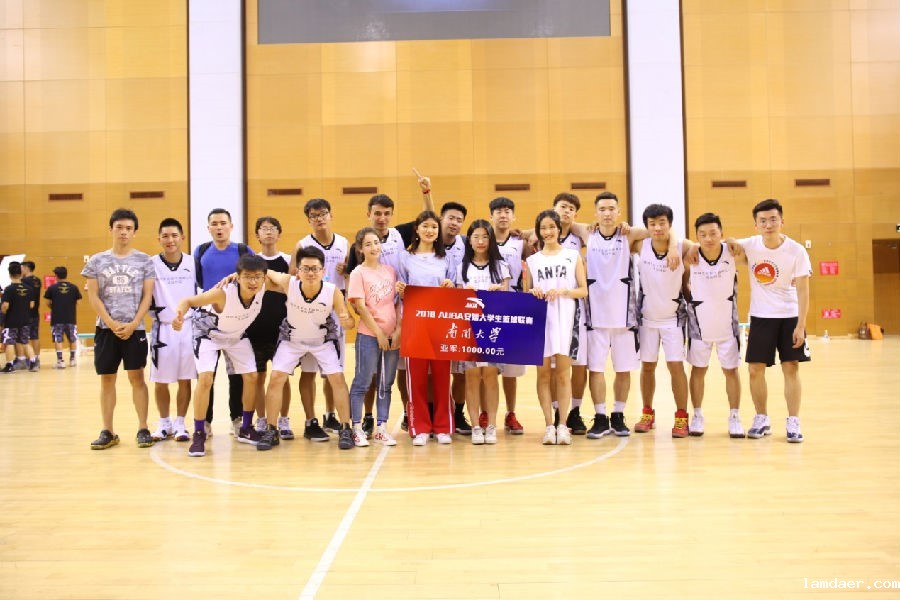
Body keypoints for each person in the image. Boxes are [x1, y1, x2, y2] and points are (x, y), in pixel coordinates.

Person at [257, 246, 357, 451]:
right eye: (306, 268)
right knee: (276, 377)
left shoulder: (332, 291)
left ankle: (346, 428)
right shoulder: (289, 283)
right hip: (292, 339)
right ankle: (271, 429)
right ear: (298, 271)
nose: (311, 273)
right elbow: (266, 271)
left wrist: (346, 320)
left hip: (322, 340)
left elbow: (349, 323)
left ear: (323, 271)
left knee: (337, 378)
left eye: (315, 269)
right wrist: (240, 274)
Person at [583, 191, 664, 439]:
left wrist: (671, 248)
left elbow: (658, 231)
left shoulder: (628, 235)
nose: (607, 213)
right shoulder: (587, 233)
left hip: (624, 318)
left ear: (618, 212)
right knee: (596, 370)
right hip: (595, 317)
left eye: (612, 209)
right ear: (595, 213)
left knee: (623, 369)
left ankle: (618, 415)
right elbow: (562, 222)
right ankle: (600, 416)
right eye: (602, 209)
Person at [731, 198, 811, 443]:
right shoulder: (751, 245)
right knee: (755, 369)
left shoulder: (796, 250)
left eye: (773, 219)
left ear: (782, 221)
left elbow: (804, 290)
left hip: (789, 315)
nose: (768, 225)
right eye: (763, 221)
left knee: (791, 367)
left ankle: (793, 421)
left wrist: (801, 325)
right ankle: (761, 418)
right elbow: (721, 245)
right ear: (756, 225)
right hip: (761, 316)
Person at [173, 254, 267, 457]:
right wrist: (179, 315)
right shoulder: (222, 294)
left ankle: (246, 427)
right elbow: (188, 301)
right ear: (238, 278)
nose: (252, 282)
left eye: (257, 277)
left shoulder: (263, 288)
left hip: (235, 336)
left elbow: (285, 279)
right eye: (247, 276)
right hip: (208, 333)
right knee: (206, 379)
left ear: (263, 278)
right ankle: (199, 433)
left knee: (252, 376)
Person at [82, 208, 156, 449]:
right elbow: (93, 296)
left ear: (134, 232)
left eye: (128, 228)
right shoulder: (96, 261)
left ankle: (143, 428)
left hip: (135, 329)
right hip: (106, 330)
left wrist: (134, 323)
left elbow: (148, 296)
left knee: (137, 377)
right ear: (111, 229)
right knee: (107, 379)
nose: (124, 232)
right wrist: (111, 323)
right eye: (119, 227)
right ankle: (108, 431)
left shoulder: (144, 260)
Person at [524, 209, 588, 445]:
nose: (548, 231)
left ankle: (563, 425)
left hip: (566, 317)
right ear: (538, 232)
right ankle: (549, 425)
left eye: (552, 227)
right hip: (542, 319)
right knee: (543, 374)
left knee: (563, 373)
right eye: (543, 228)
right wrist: (534, 292)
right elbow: (526, 293)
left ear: (559, 229)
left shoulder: (572, 255)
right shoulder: (532, 261)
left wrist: (563, 291)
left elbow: (583, 290)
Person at [396, 210, 457, 445]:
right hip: (415, 323)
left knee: (442, 376)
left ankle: (443, 427)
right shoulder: (405, 257)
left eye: (433, 227)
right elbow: (400, 289)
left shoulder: (446, 258)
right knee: (417, 378)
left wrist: (451, 286)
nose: (430, 230)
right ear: (417, 229)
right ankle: (419, 427)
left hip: (441, 323)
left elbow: (455, 288)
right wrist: (402, 291)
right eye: (425, 226)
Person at [683, 213, 744, 438]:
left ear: (721, 233)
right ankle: (697, 415)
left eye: (713, 233)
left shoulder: (732, 252)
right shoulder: (691, 256)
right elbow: (683, 283)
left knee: (731, 371)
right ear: (697, 236)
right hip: (699, 326)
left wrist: (733, 240)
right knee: (698, 370)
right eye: (703, 235)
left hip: (727, 324)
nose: (708, 238)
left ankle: (735, 416)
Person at [193, 208, 252, 436]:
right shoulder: (201, 251)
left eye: (223, 223)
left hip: (236, 320)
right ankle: (205, 422)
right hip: (208, 321)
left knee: (237, 374)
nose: (219, 227)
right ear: (208, 228)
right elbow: (199, 281)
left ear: (231, 226)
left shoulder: (242, 251)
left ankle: (237, 418)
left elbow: (255, 275)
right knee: (207, 375)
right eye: (214, 224)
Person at [292, 199, 349, 438]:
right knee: (309, 370)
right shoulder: (302, 245)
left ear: (330, 215)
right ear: (309, 220)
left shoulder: (344, 243)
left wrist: (347, 271)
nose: (319, 218)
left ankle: (330, 415)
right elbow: (292, 278)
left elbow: (350, 276)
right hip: (309, 313)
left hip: (335, 311)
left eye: (323, 213)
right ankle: (310, 420)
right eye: (314, 215)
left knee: (333, 370)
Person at [632, 204, 689, 438]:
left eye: (662, 223)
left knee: (676, 367)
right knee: (647, 367)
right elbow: (621, 232)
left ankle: (682, 416)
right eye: (652, 224)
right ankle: (647, 412)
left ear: (670, 224)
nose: (657, 228)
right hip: (647, 318)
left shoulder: (683, 247)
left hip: (673, 319)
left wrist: (674, 245)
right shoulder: (640, 245)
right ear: (646, 226)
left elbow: (710, 247)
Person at [347, 227, 402, 447]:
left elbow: (397, 303)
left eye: (376, 242)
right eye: (368, 244)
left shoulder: (390, 271)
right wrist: (378, 332)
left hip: (391, 337)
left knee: (385, 383)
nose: (373, 247)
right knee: (363, 381)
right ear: (360, 249)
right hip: (369, 336)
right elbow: (360, 307)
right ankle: (356, 428)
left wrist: (397, 330)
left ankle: (381, 429)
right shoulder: (358, 273)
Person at [457, 220, 511, 445]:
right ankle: (475, 427)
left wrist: (499, 292)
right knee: (471, 377)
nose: (480, 241)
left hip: (493, 329)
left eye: (485, 237)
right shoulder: (462, 266)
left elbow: (507, 297)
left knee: (490, 376)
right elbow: (456, 298)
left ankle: (491, 425)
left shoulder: (500, 266)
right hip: (469, 329)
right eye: (476, 236)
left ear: (491, 239)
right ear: (469, 240)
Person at [148, 218, 197, 443]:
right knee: (161, 380)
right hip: (163, 329)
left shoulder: (193, 263)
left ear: (182, 238)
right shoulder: (150, 264)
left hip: (188, 327)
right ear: (159, 239)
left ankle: (180, 423)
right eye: (165, 236)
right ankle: (164, 422)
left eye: (174, 235)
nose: (170, 240)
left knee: (185, 379)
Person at [246, 216, 293, 439]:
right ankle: (262, 419)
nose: (268, 232)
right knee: (258, 377)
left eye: (272, 228)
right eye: (263, 229)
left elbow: (290, 287)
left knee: (282, 377)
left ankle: (283, 419)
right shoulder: (252, 262)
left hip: (281, 330)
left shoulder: (287, 260)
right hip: (255, 329)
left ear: (279, 233)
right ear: (257, 235)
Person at [487, 196, 528, 434]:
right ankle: (485, 412)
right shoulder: (482, 239)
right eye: (498, 211)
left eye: (507, 211)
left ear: (513, 216)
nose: (503, 215)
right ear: (490, 216)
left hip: (513, 307)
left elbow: (543, 231)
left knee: (510, 371)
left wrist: (525, 232)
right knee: (487, 367)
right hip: (487, 309)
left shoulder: (520, 242)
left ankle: (511, 413)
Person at [1, 261, 38, 373]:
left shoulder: (9, 289)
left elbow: (5, 306)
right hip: (25, 320)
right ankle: (33, 363)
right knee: (25, 342)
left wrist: (3, 312)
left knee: (10, 342)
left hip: (11, 320)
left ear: (10, 274)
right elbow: (32, 305)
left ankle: (9, 365)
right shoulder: (29, 289)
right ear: (21, 274)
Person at [44, 266, 83, 369]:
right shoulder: (74, 287)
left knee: (58, 339)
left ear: (56, 276)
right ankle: (73, 360)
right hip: (70, 318)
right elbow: (79, 302)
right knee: (72, 339)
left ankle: (60, 361)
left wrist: (56, 307)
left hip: (57, 318)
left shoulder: (52, 288)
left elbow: (47, 303)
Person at [21, 261, 41, 367]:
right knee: (35, 336)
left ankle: (29, 359)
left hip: (26, 313)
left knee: (25, 337)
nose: (20, 270)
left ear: (26, 268)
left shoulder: (24, 281)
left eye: (22, 268)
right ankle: (37, 358)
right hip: (35, 313)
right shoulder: (37, 280)